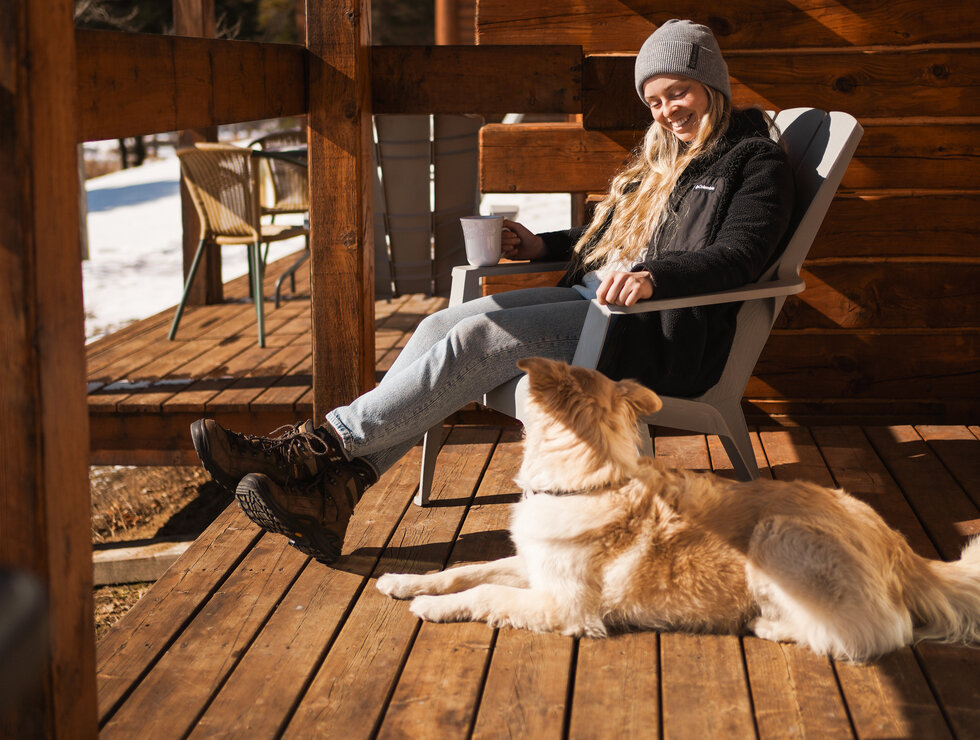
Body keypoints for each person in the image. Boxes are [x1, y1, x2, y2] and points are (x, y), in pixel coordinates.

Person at [191, 19, 796, 564]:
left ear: (711, 84)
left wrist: (656, 277)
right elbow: (615, 235)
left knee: (485, 334)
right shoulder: (669, 160)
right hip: (599, 306)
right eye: (655, 101)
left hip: (655, 332)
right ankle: (337, 494)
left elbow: (740, 255)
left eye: (678, 93)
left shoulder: (751, 162)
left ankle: (316, 451)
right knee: (436, 327)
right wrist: (545, 246)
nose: (667, 111)